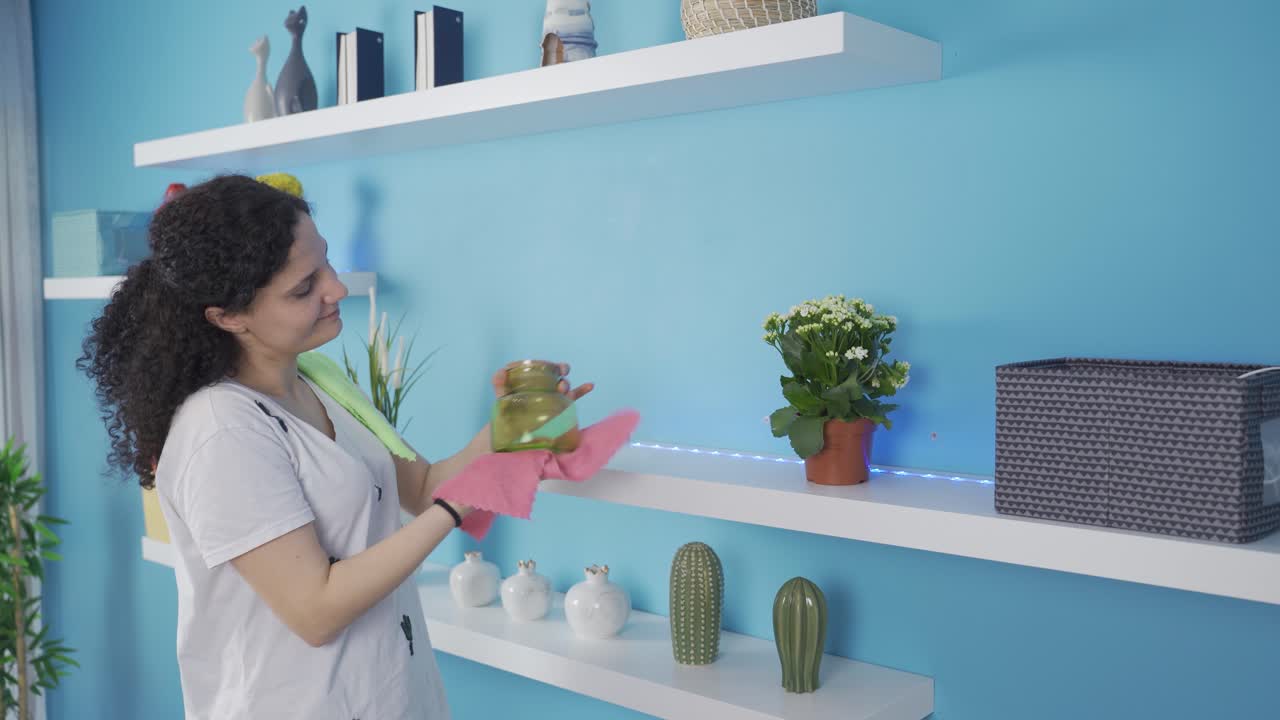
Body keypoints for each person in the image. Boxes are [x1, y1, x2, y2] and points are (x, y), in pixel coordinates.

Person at [77, 174, 592, 719]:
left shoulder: (319, 379)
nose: (336, 289)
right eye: (304, 287)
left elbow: (420, 486)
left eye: (325, 263)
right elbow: (315, 609)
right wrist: (455, 507)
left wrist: (506, 428)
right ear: (228, 316)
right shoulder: (221, 430)